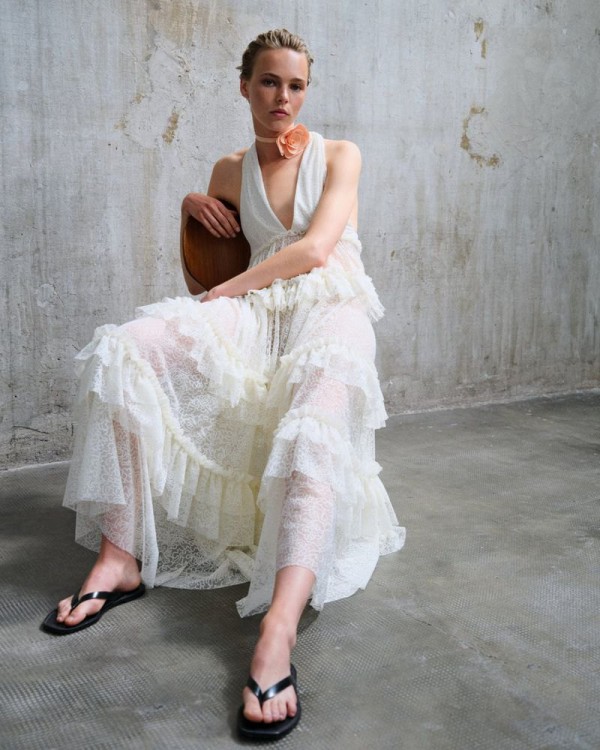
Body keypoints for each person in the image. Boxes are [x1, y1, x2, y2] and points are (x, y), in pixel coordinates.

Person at [42, 29, 405, 740]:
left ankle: (277, 630)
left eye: (296, 85)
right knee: (127, 350)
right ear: (244, 86)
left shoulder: (341, 154)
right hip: (256, 307)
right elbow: (212, 261)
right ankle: (119, 556)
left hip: (331, 304)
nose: (283, 98)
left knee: (314, 420)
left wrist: (227, 293)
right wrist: (192, 203)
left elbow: (315, 250)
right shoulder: (229, 169)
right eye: (269, 82)